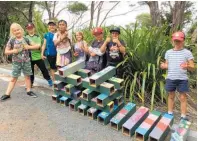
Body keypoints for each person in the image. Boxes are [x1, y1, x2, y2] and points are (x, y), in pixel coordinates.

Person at [160, 31, 195, 121]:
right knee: (171, 96)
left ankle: (183, 116)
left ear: (183, 41)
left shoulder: (187, 53)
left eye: (179, 41)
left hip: (182, 79)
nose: (177, 42)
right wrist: (164, 66)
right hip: (170, 78)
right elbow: (167, 65)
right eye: (175, 40)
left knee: (183, 97)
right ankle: (170, 113)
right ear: (172, 40)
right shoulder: (168, 52)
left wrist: (187, 66)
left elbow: (192, 67)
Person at [1, 23, 39, 101]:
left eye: (18, 29)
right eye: (14, 31)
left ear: (21, 30)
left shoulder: (26, 39)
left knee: (27, 77)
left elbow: (37, 46)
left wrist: (28, 47)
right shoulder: (12, 40)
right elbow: (6, 51)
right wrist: (13, 51)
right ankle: (7, 94)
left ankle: (29, 91)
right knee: (13, 78)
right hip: (16, 62)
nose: (17, 31)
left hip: (26, 61)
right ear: (12, 32)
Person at [25, 23, 53, 87]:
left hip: (38, 57)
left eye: (31, 28)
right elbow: (24, 46)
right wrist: (34, 46)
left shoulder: (37, 36)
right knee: (30, 72)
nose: (30, 29)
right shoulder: (25, 37)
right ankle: (31, 83)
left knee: (44, 70)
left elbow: (38, 46)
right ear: (27, 29)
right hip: (29, 57)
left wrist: (29, 46)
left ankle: (49, 80)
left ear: (34, 28)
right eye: (28, 28)